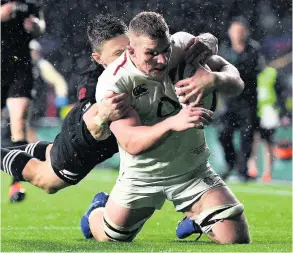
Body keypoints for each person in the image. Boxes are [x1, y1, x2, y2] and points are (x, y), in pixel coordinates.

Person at [1, 14, 218, 194]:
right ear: (98, 59)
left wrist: (208, 41)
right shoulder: (94, 83)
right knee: (47, 181)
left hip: (121, 138)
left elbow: (186, 41)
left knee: (50, 152)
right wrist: (102, 115)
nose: (127, 57)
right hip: (85, 142)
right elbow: (95, 122)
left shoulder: (149, 57)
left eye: (129, 49)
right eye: (118, 54)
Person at [84, 11, 249, 244]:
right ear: (130, 50)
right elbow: (131, 142)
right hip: (141, 177)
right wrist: (173, 123)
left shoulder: (183, 46)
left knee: (236, 239)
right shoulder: (114, 82)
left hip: (192, 170)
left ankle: (197, 217)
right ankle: (97, 210)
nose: (161, 60)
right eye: (151, 53)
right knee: (110, 236)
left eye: (165, 50)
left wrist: (215, 79)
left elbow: (237, 82)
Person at [1, 0, 46, 202]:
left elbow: (41, 26)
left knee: (18, 125)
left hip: (20, 68)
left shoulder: (30, 3)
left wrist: (36, 26)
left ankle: (16, 185)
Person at [217, 16, 266, 181]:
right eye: (235, 31)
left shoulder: (254, 49)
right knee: (223, 133)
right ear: (230, 33)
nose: (237, 34)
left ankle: (242, 170)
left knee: (247, 136)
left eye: (241, 31)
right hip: (229, 100)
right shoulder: (224, 49)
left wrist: (236, 73)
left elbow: (257, 70)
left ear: (246, 33)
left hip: (248, 100)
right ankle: (231, 164)